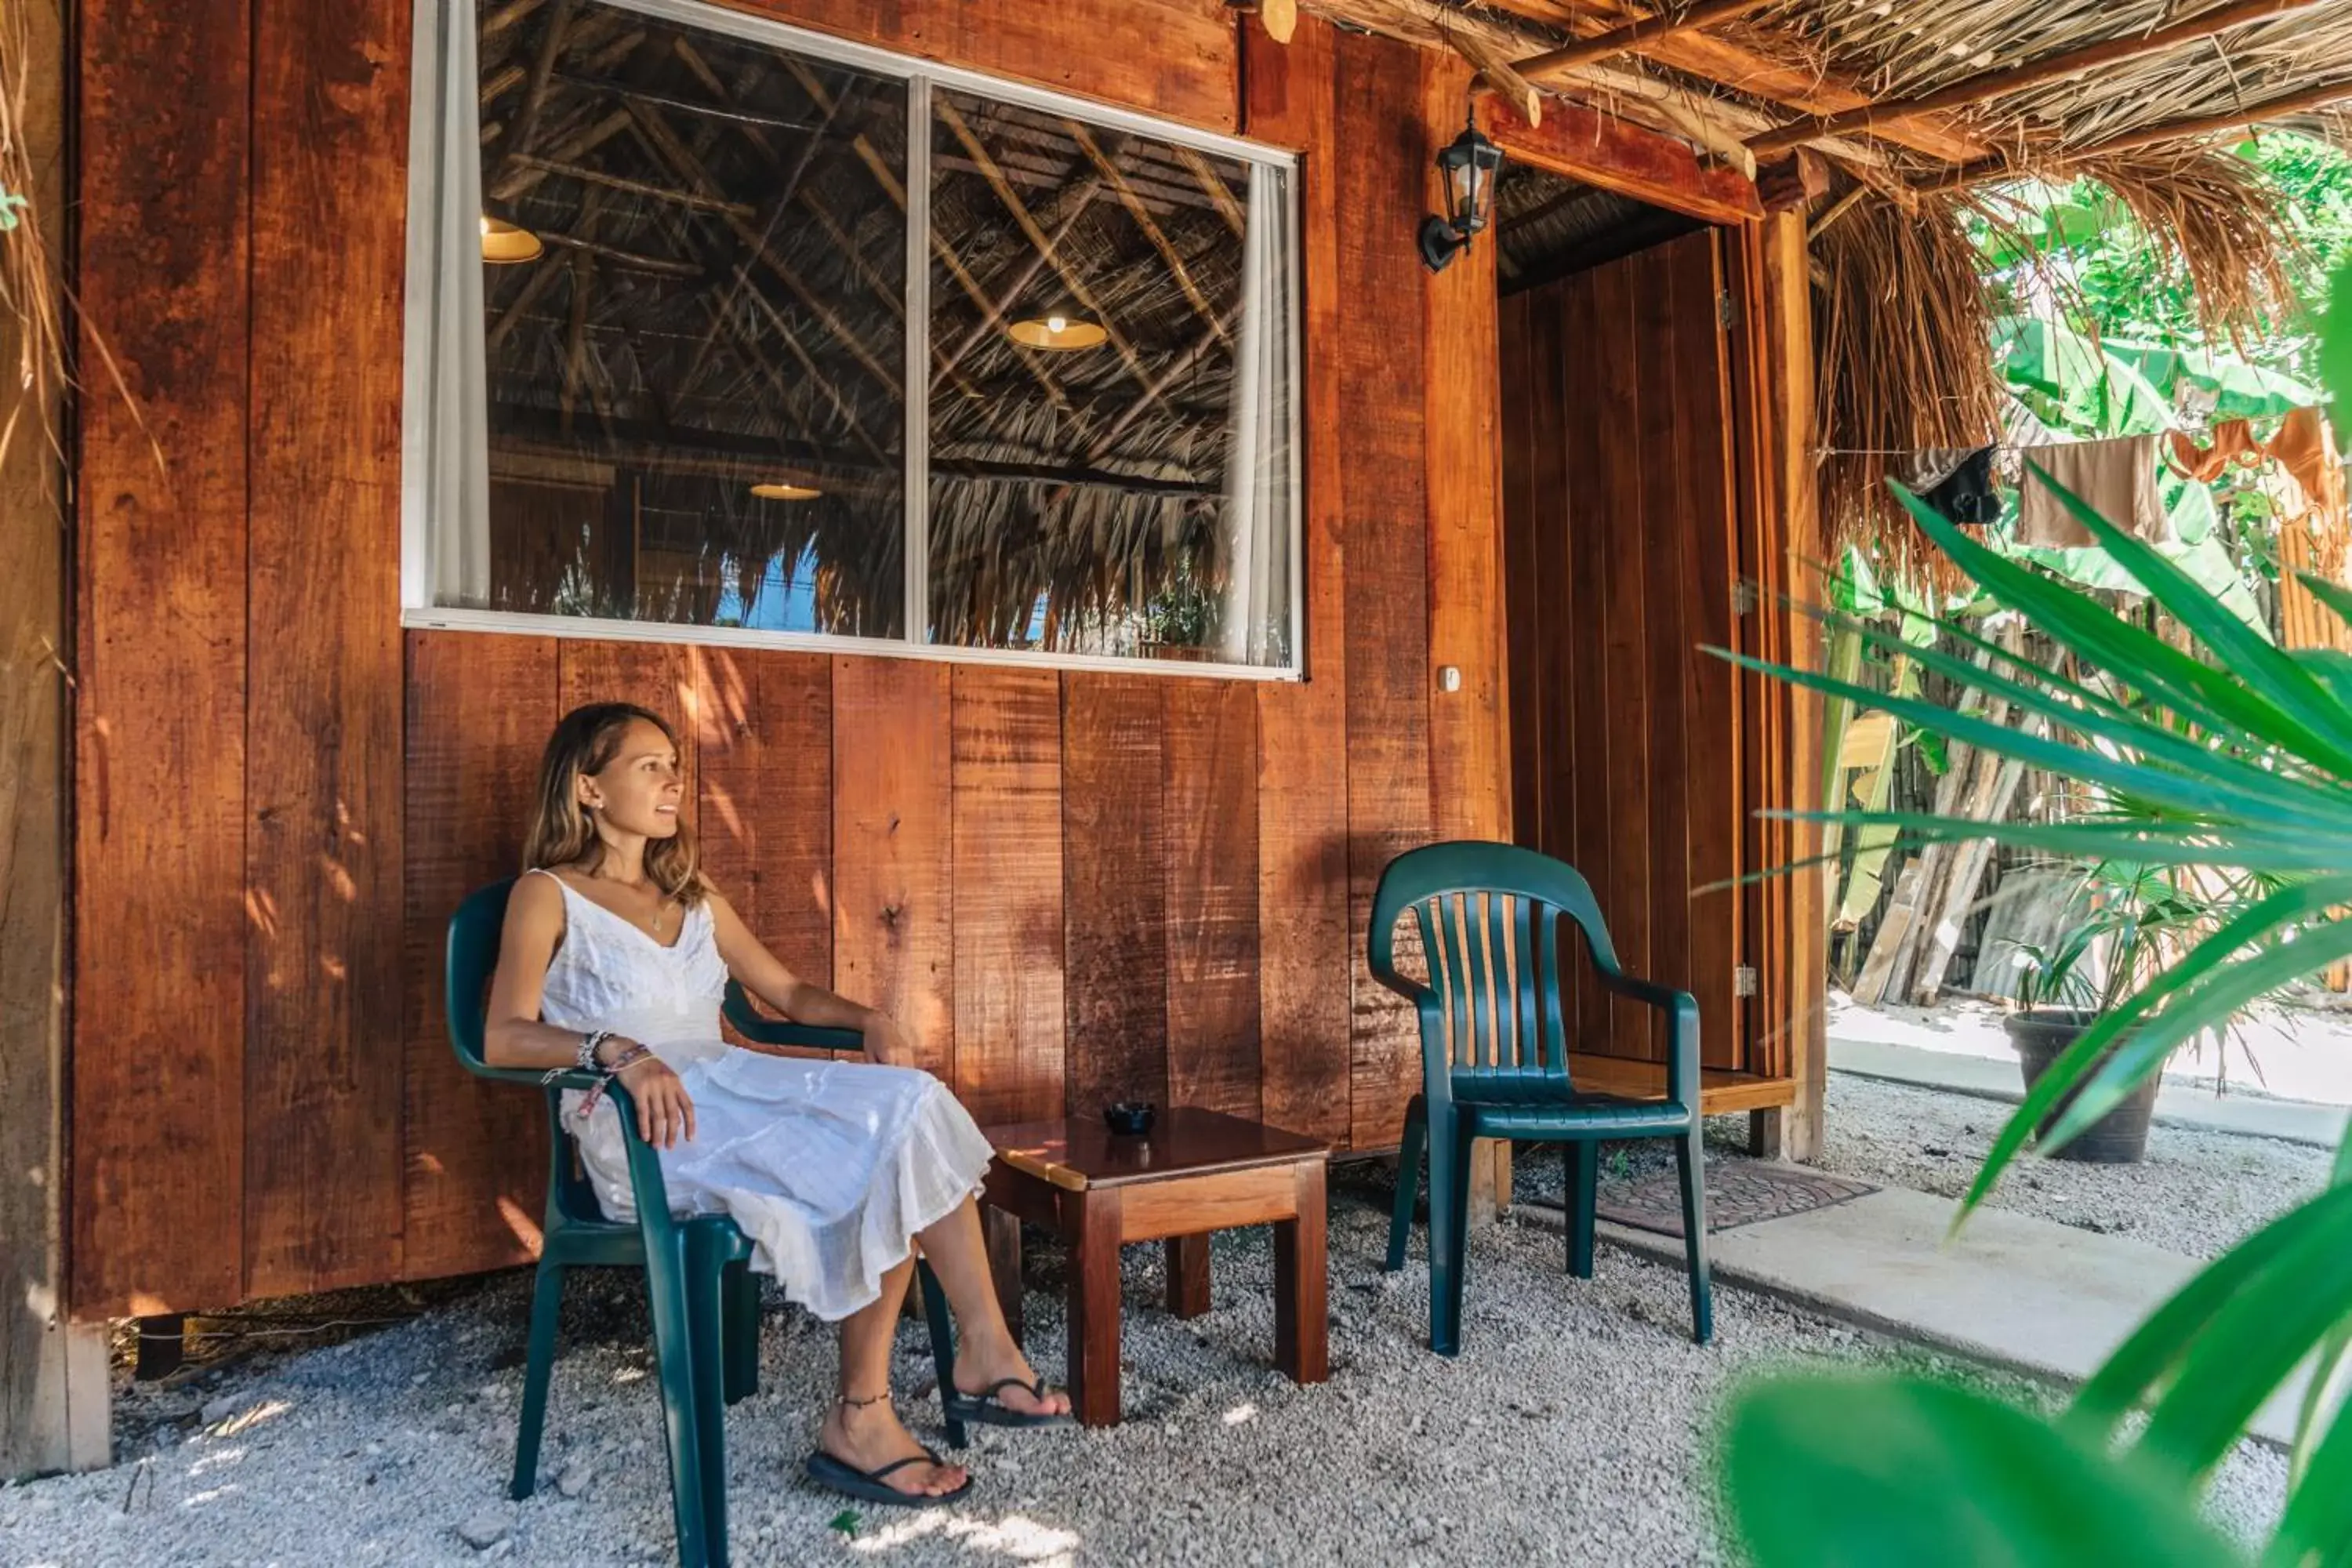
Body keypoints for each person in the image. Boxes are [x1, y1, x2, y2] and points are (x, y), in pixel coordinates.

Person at [484, 701, 1069, 1507]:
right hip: (643, 1120)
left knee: (908, 1103)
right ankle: (870, 1415)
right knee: (874, 1141)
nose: (671, 780)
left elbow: (785, 991)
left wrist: (869, 1017)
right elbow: (505, 1035)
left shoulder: (690, 894)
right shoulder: (547, 895)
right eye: (648, 765)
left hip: (730, 1081)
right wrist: (614, 1049)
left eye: (673, 765)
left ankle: (979, 1346)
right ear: (588, 787)